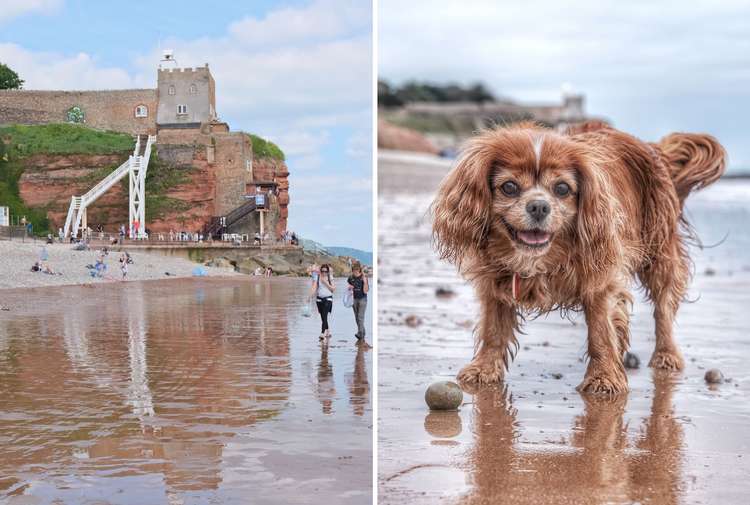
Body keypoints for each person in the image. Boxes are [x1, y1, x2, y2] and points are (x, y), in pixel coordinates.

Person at [310, 263, 335, 340]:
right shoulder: (317, 277)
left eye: (326, 271)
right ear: (320, 271)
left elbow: (333, 289)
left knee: (324, 315)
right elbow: (314, 288)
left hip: (328, 299)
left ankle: (322, 333)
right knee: (322, 317)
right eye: (322, 271)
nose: (324, 272)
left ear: (328, 271)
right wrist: (309, 297)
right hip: (319, 299)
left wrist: (325, 282)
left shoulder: (330, 277)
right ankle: (328, 330)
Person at [347, 263, 369, 343]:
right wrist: (349, 287)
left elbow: (366, 291)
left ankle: (360, 333)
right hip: (354, 299)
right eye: (354, 270)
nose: (355, 272)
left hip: (362, 299)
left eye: (357, 270)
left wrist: (365, 282)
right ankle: (362, 332)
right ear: (352, 270)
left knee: (360, 317)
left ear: (359, 270)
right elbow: (349, 287)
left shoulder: (364, 277)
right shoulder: (350, 278)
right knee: (357, 317)